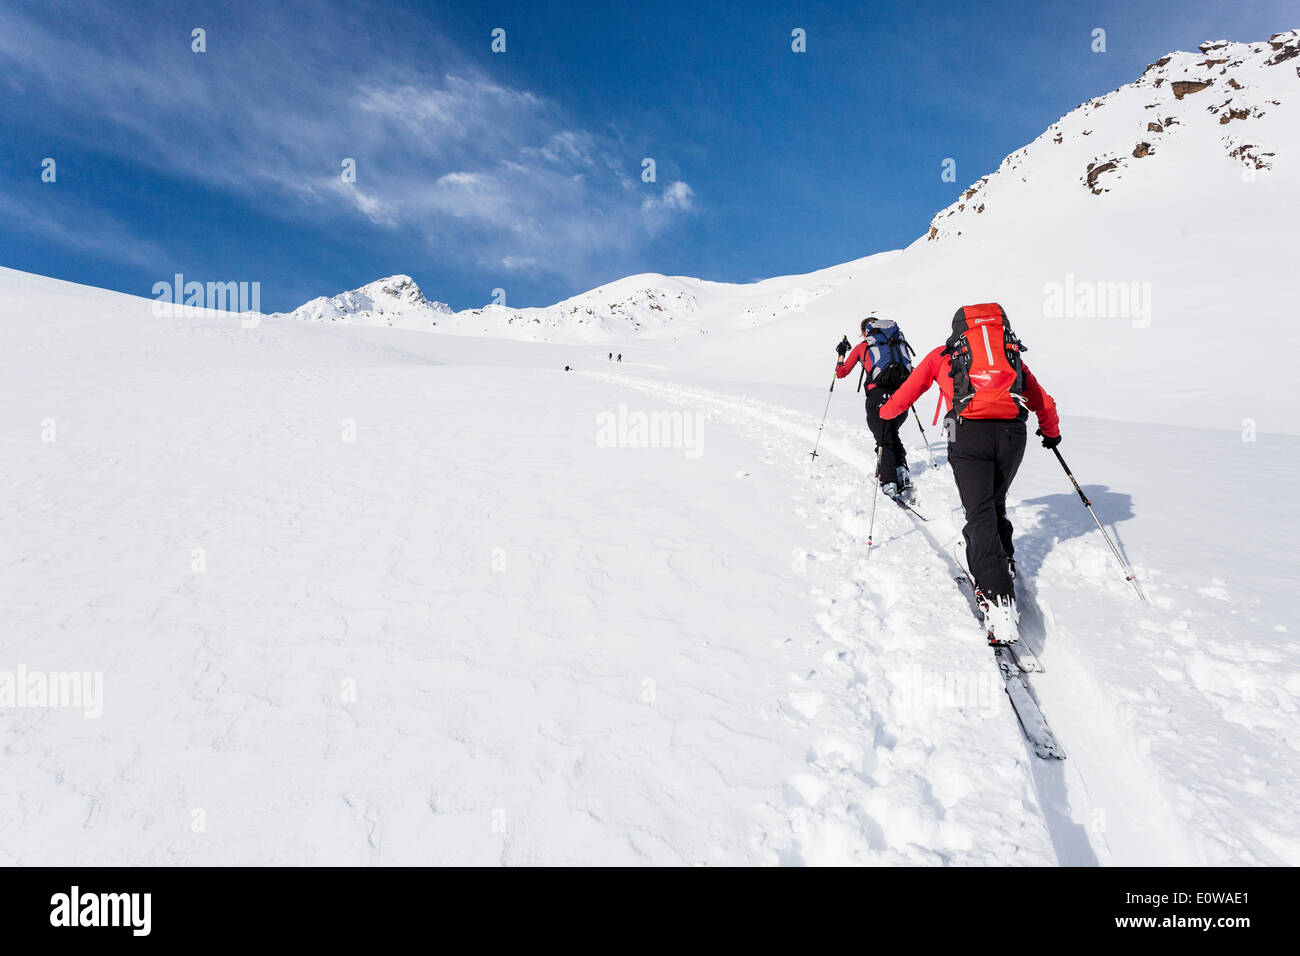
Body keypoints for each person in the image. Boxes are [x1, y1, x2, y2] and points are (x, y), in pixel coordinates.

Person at [878, 303, 1060, 645]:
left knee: (978, 511)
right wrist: (1051, 432)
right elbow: (1042, 401)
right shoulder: (1010, 355)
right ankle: (1002, 564)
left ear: (958, 329)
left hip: (965, 433)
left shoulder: (943, 355)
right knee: (995, 502)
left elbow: (906, 394)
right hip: (1012, 434)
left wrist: (886, 414)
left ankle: (996, 597)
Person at [835, 317, 916, 501]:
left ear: (865, 332)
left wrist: (841, 353)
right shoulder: (895, 344)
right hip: (902, 395)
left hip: (877, 397)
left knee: (883, 437)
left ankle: (889, 481)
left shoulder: (863, 347)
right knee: (891, 432)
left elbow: (841, 372)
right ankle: (901, 470)